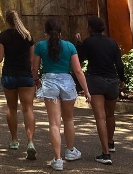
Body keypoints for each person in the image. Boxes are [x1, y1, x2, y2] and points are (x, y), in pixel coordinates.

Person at [31, 18, 91, 171]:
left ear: (46, 31)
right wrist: (87, 91)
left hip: (49, 82)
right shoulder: (70, 46)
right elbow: (78, 70)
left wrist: (36, 80)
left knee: (54, 123)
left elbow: (34, 67)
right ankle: (70, 151)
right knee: (69, 119)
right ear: (61, 31)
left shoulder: (40, 46)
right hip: (67, 82)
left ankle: (57, 159)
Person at [75, 16, 125, 165]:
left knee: (100, 118)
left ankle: (105, 153)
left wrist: (78, 42)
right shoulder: (112, 42)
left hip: (96, 80)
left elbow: (80, 58)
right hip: (112, 80)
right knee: (110, 115)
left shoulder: (88, 42)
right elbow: (119, 64)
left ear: (90, 28)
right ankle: (110, 142)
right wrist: (121, 79)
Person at [0, 10, 37, 160]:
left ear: (7, 21)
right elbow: (32, 60)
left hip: (9, 75)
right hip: (25, 75)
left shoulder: (2, 36)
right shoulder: (28, 36)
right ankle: (30, 142)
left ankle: (14, 140)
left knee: (11, 108)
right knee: (28, 109)